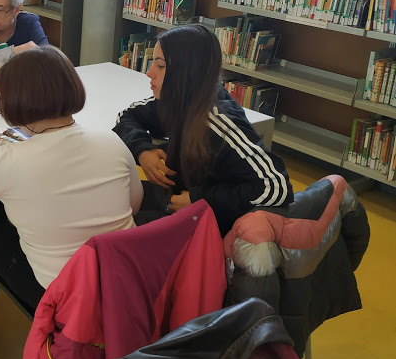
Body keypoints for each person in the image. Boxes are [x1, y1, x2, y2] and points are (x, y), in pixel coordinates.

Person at [0, 46, 143, 359]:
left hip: (66, 307)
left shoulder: (11, 160)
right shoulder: (111, 141)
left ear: (11, 102)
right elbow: (133, 205)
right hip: (128, 291)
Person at [113, 24, 293, 235]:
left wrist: (199, 200)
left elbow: (277, 187)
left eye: (160, 65)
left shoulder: (218, 122)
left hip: (210, 226)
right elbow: (127, 116)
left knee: (114, 227)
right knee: (112, 198)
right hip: (182, 203)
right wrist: (143, 150)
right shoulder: (178, 100)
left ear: (186, 72)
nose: (149, 72)